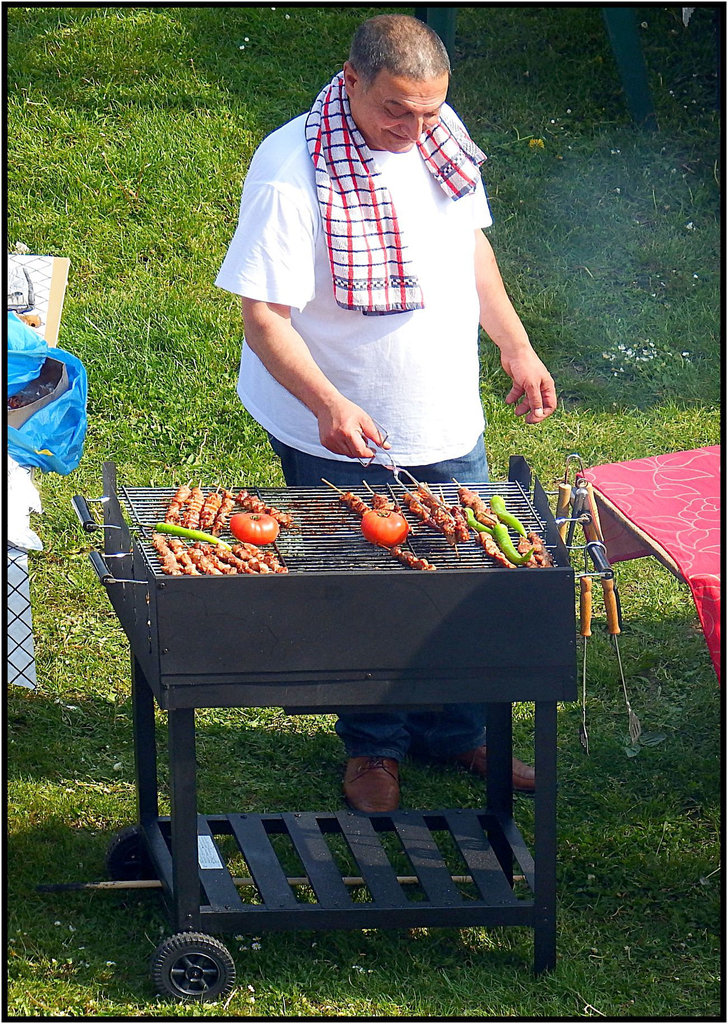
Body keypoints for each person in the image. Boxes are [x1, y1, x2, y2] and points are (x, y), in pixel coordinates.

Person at [216, 14, 557, 813]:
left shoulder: (438, 131)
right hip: (335, 419)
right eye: (395, 111)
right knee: (368, 588)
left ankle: (459, 732)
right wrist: (330, 404)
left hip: (444, 413)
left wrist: (515, 344)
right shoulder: (290, 169)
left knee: (468, 571)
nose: (412, 129)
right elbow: (263, 317)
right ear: (351, 79)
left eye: (428, 111)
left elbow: (470, 245)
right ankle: (374, 750)